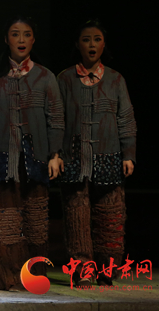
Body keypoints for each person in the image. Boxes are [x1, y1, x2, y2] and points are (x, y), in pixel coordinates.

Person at [0, 16, 64, 291]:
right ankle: (11, 277)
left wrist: (55, 154)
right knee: (7, 221)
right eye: (15, 34)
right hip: (0, 158)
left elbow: (55, 118)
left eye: (27, 34)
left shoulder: (45, 77)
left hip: (35, 158)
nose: (21, 39)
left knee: (36, 221)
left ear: (34, 39)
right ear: (7, 39)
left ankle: (35, 276)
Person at [58, 20, 136, 287]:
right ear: (77, 45)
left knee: (110, 215)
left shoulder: (115, 79)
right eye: (86, 39)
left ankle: (107, 268)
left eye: (97, 39)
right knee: (76, 216)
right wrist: (55, 153)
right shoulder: (65, 79)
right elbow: (56, 118)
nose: (91, 45)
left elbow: (125, 118)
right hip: (74, 158)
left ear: (104, 44)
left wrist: (128, 154)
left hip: (109, 155)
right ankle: (82, 269)